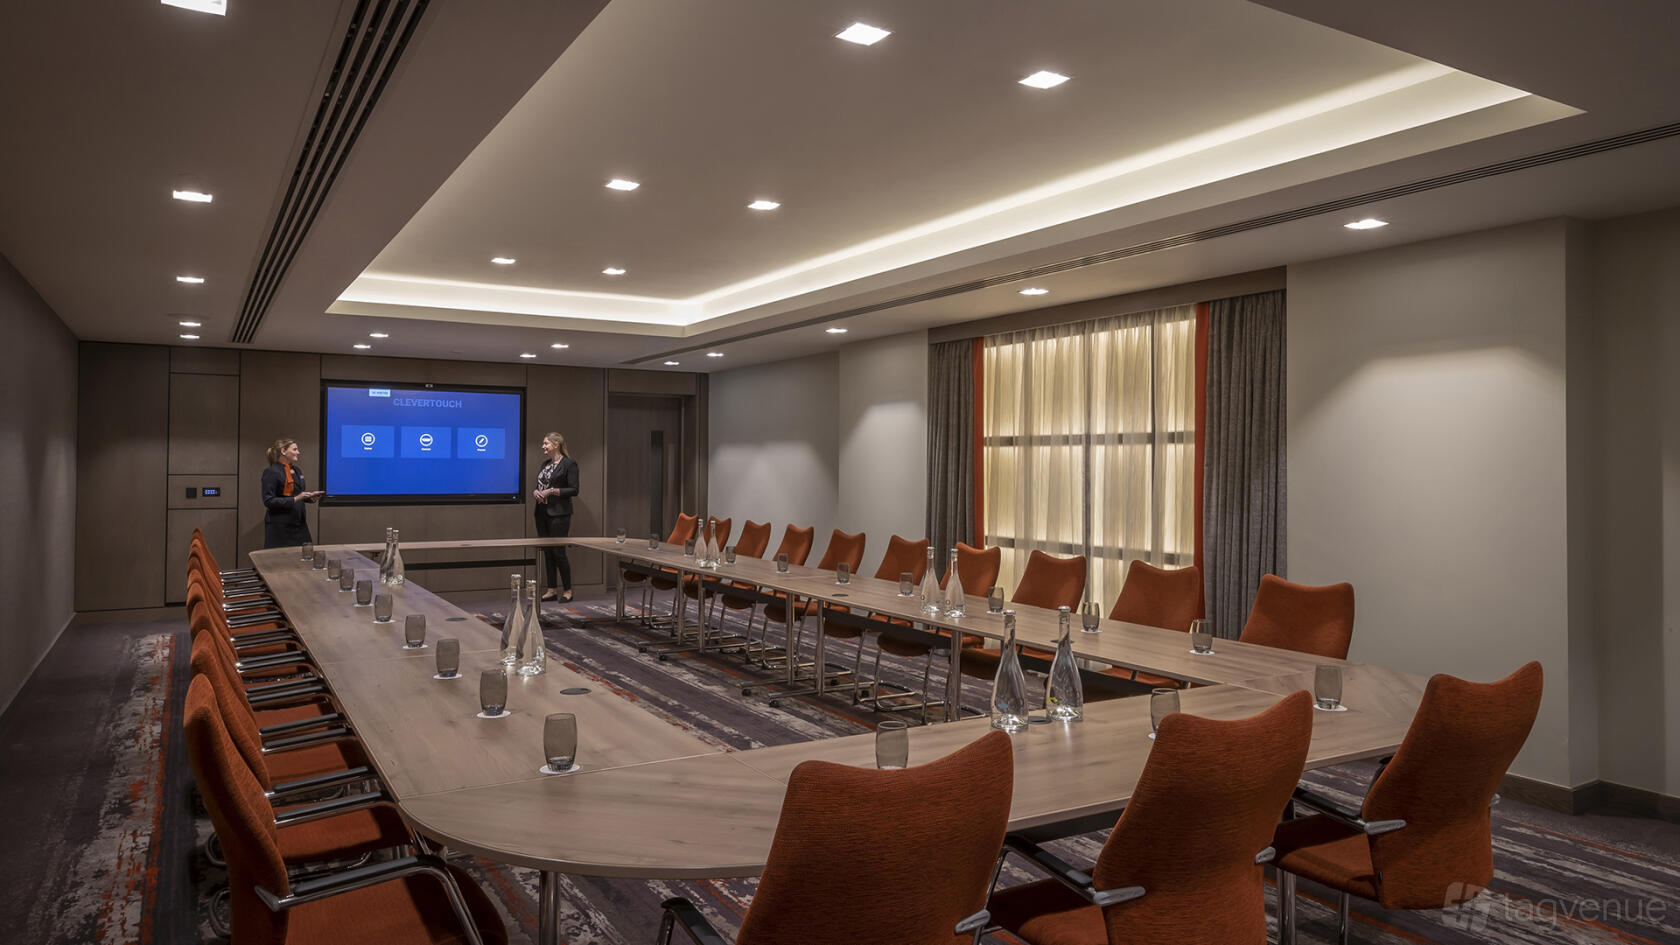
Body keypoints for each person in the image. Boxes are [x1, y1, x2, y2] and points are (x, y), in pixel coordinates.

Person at [532, 432, 579, 601]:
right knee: (547, 552)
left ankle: (567, 591)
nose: (543, 446)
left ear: (556, 444)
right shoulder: (545, 464)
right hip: (541, 513)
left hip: (559, 514)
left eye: (546, 443)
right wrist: (536, 491)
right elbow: (540, 485)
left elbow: (574, 490)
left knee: (559, 552)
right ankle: (551, 589)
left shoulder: (569, 464)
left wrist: (551, 491)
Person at [261, 438, 322, 548]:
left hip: (299, 524)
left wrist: (310, 497)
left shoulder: (297, 470)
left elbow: (297, 493)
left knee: (304, 556)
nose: (298, 452)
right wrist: (295, 499)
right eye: (295, 449)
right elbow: (268, 501)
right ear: (284, 452)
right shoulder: (271, 472)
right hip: (279, 526)